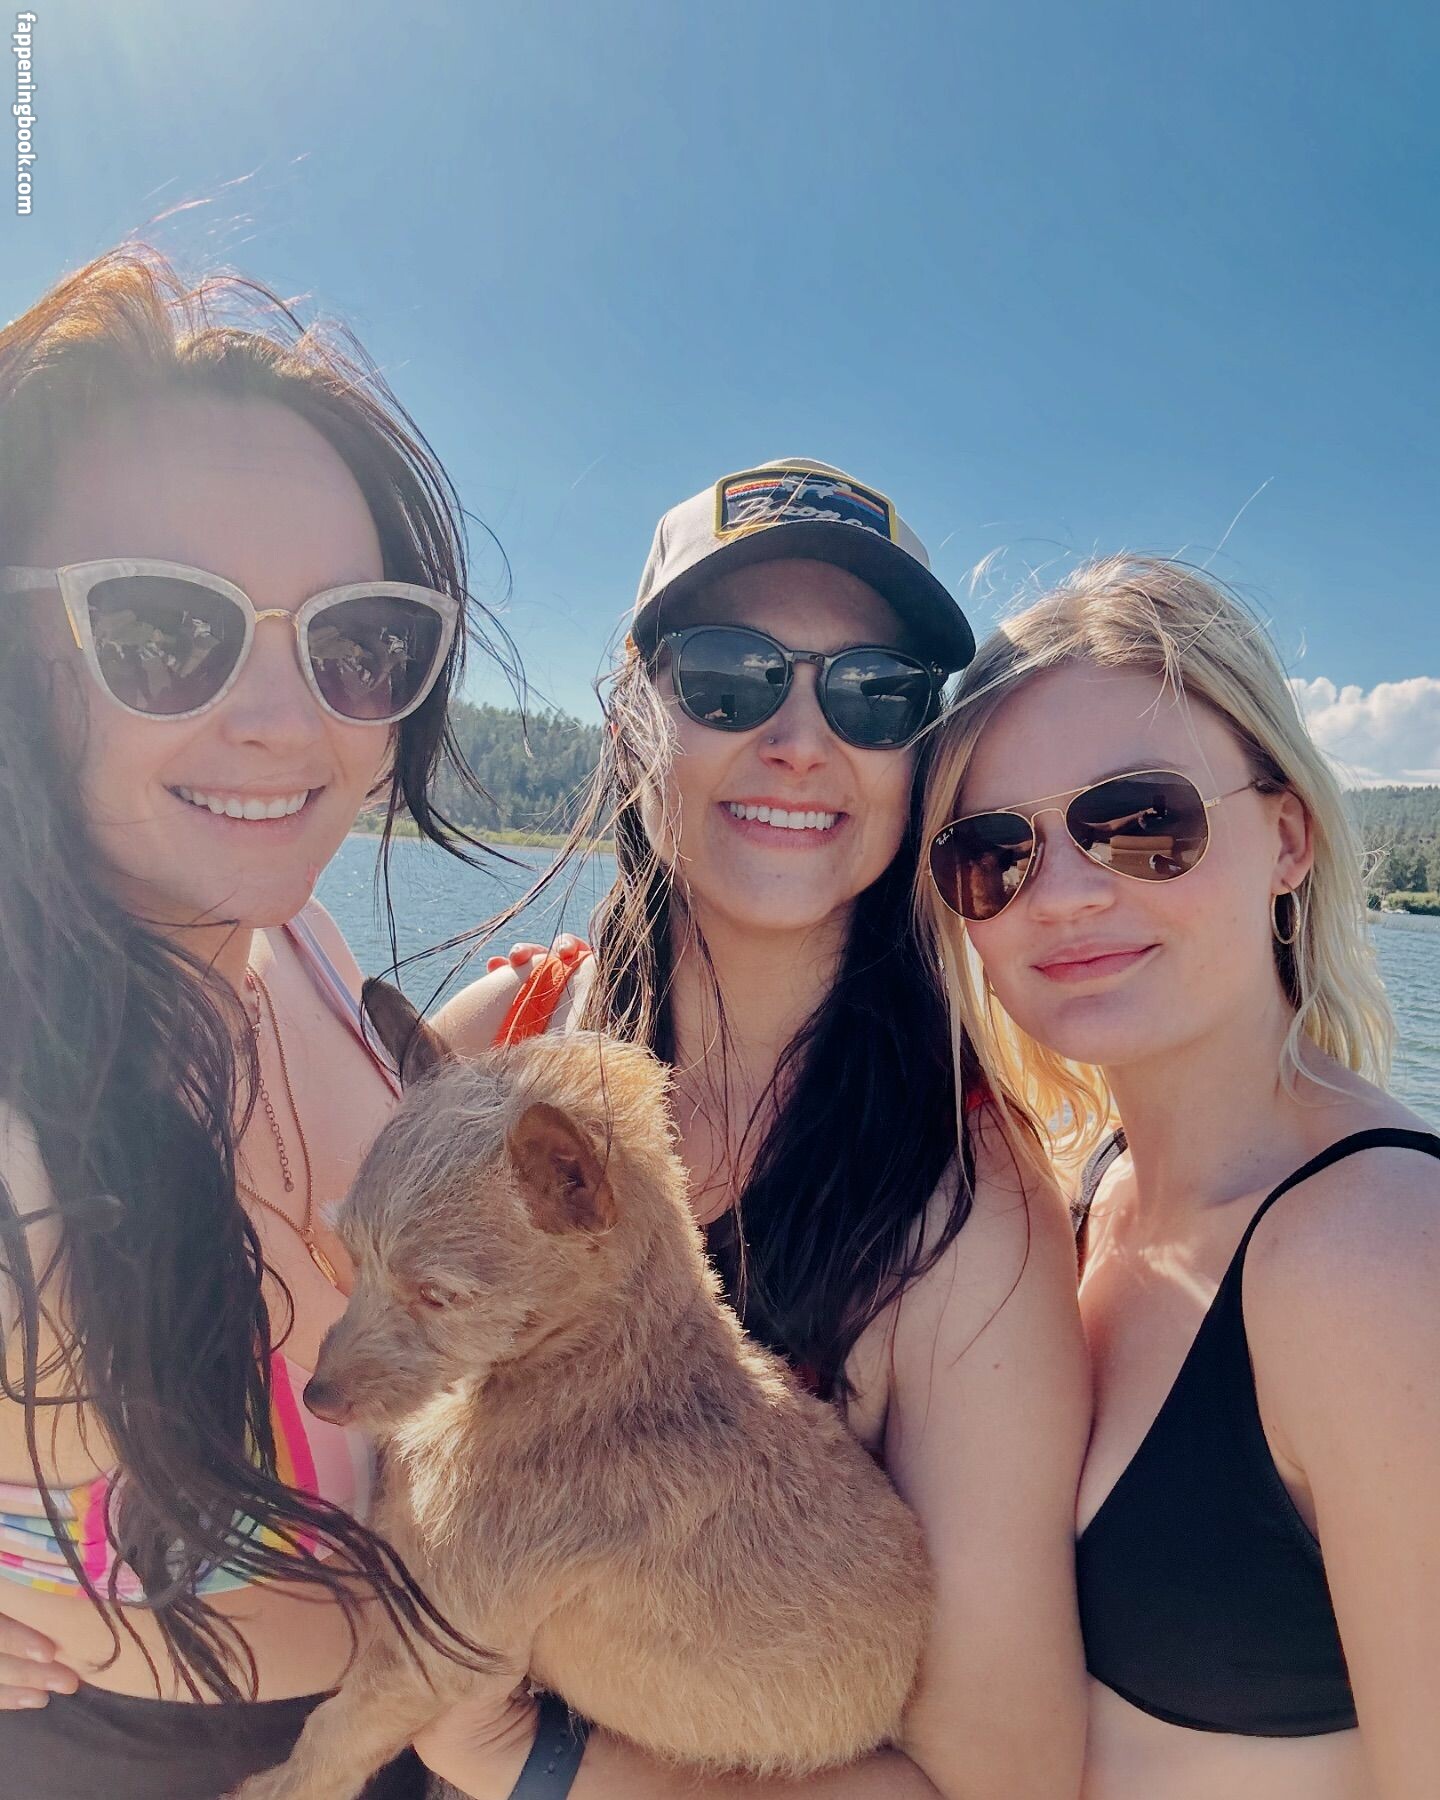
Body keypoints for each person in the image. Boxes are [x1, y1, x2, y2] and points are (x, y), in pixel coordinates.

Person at [419, 461, 1090, 1799]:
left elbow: (1000, 1774)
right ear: (632, 720)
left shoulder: (965, 1211)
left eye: (874, 695)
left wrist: (533, 1761)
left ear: (919, 764)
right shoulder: (502, 1037)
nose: (799, 739)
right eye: (729, 678)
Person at [0, 243, 513, 1797]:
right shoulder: (30, 1150)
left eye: (358, 643)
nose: (288, 720)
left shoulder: (289, 934)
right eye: (166, 630)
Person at [920, 555, 1440, 1800]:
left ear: (1287, 838)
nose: (1063, 895)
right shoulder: (1082, 1193)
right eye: (995, 854)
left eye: (1142, 821)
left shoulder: (1377, 1256)